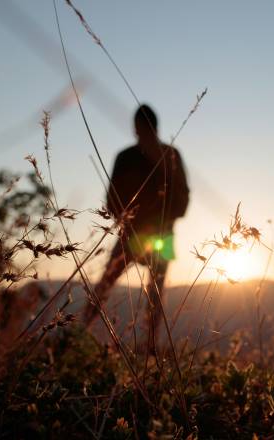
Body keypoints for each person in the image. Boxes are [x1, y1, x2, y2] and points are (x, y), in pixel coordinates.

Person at [83, 104, 189, 349]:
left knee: (146, 292)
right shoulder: (145, 155)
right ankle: (146, 344)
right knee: (125, 287)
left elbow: (182, 197)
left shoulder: (162, 155)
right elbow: (112, 199)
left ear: (137, 127)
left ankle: (149, 345)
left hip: (151, 234)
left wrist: (145, 222)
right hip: (142, 234)